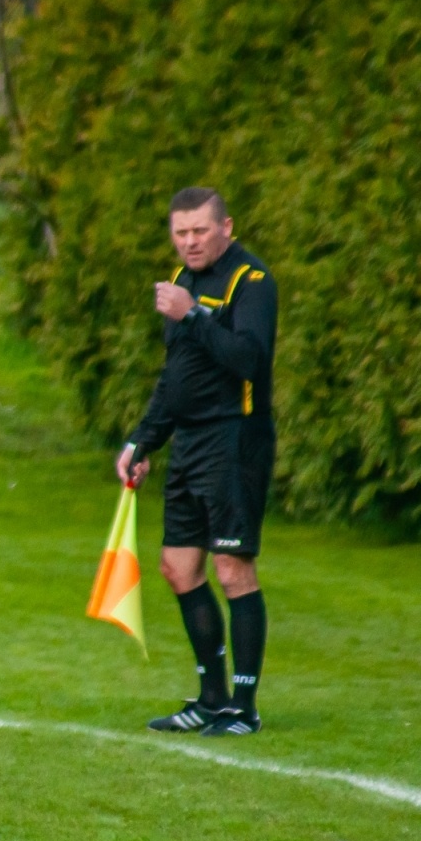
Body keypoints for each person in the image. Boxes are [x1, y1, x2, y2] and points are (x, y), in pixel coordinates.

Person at [116, 187, 278, 738]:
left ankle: (244, 707)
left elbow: (249, 360)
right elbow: (176, 378)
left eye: (200, 231)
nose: (189, 242)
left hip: (236, 442)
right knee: (178, 569)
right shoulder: (182, 284)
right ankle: (210, 699)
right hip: (189, 443)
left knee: (232, 570)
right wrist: (142, 442)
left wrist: (192, 319)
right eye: (181, 233)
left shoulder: (251, 282)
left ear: (225, 227)